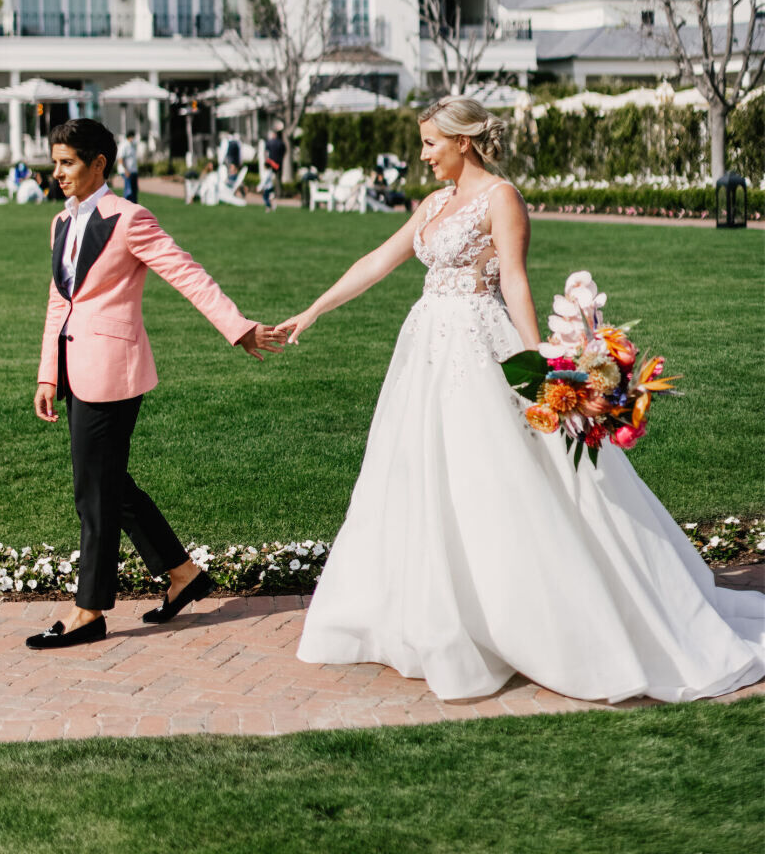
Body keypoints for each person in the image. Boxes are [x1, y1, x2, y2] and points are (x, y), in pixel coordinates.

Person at [276, 96, 765, 703]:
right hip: (425, 352)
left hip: (480, 350)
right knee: (418, 476)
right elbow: (380, 259)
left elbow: (513, 280)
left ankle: (523, 619)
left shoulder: (500, 198)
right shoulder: (433, 204)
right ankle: (429, 616)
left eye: (431, 142)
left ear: (463, 141)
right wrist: (313, 311)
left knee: (499, 479)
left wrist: (545, 372)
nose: (422, 155)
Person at [26, 118, 282, 650]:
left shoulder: (130, 219)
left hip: (115, 372)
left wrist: (237, 327)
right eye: (55, 163)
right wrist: (48, 371)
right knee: (109, 484)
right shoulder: (60, 223)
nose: (58, 174)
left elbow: (185, 272)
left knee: (93, 491)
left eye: (67, 163)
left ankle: (88, 610)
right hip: (75, 369)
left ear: (99, 164)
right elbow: (59, 301)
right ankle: (183, 574)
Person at [116, 131, 139, 203]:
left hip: (133, 171)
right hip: (127, 171)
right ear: (130, 137)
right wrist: (125, 170)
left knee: (134, 190)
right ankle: (127, 205)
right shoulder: (124, 145)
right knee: (129, 190)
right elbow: (120, 159)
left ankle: (134, 205)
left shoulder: (132, 145)